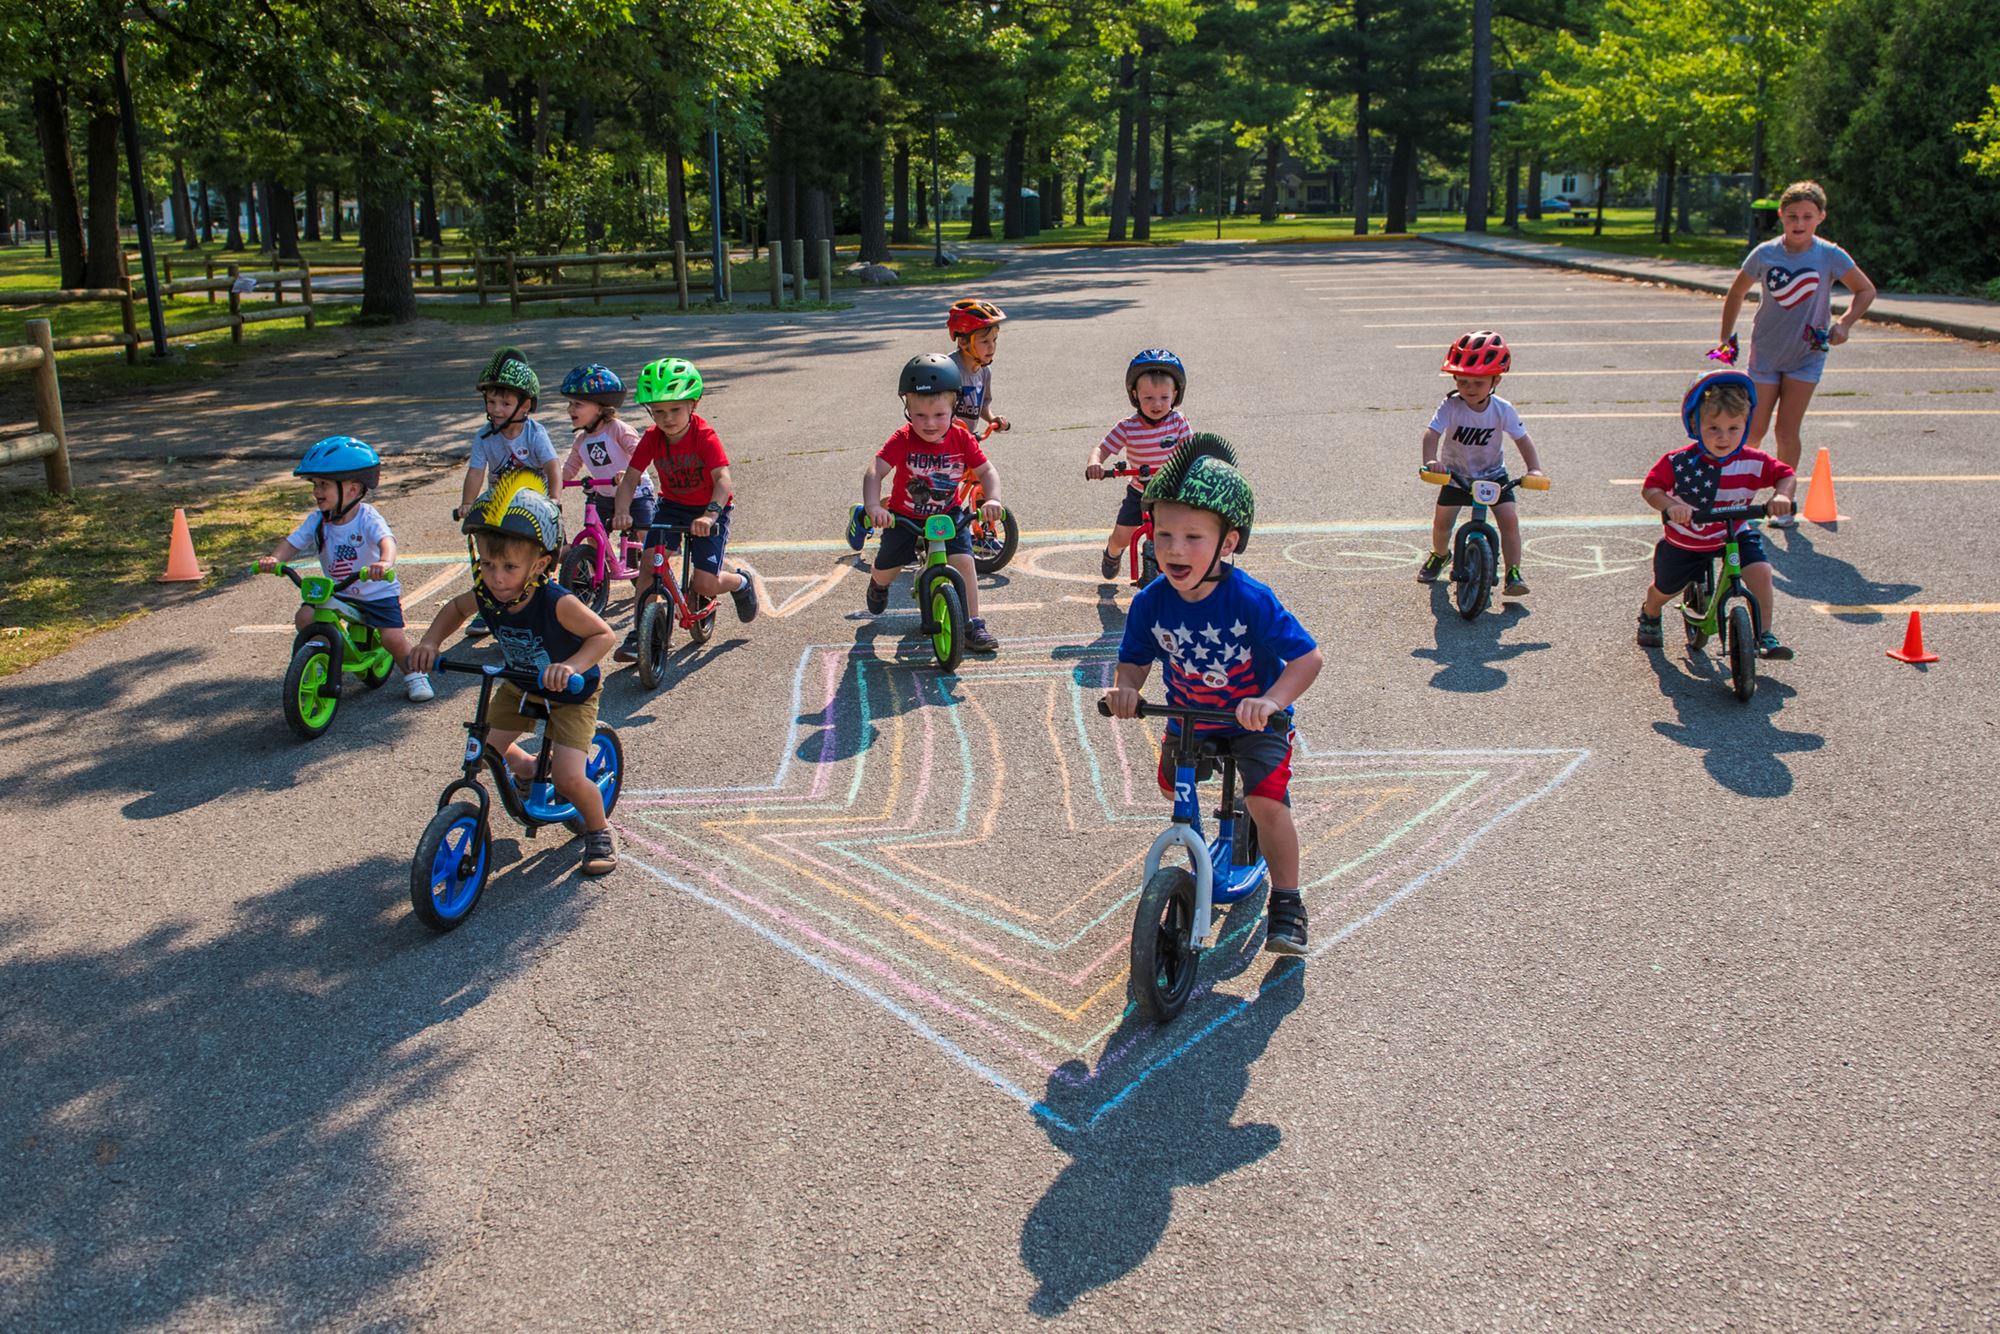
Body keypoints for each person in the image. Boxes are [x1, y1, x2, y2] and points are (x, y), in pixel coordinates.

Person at [1101, 434, 1323, 956]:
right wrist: (1128, 689)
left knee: (1266, 803)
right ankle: (1200, 852)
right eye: (1165, 535)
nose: (1175, 549)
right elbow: (1134, 659)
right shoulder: (1151, 603)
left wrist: (1270, 702)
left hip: (1253, 722)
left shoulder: (1249, 599)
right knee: (1170, 785)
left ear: (1227, 543)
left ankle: (1288, 905)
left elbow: (1307, 659)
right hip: (1189, 716)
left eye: (1194, 537)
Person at [408, 474, 620, 876]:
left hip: (570, 693)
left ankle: (598, 828)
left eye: (509, 566)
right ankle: (525, 767)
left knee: (569, 777)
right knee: (483, 743)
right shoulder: (488, 594)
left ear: (539, 565)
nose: (497, 576)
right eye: (488, 564)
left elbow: (602, 635)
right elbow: (455, 609)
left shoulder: (556, 602)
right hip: (521, 685)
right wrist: (431, 643)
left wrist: (570, 666)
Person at [1716, 179, 1878, 525]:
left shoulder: (1830, 255)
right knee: (1752, 429)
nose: (1799, 223)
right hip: (1766, 352)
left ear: (1821, 216)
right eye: (1792, 216)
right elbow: (1735, 294)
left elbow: (1865, 290)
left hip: (1808, 353)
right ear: (1781, 216)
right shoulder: (1765, 253)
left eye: (1807, 216)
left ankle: (1784, 500)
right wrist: (1725, 339)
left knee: (1787, 431)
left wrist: (1845, 324)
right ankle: (1736, 497)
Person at [1636, 369, 1798, 659]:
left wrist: (1782, 494)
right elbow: (1652, 488)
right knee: (1665, 587)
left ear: (1745, 426)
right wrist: (1671, 505)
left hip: (1733, 534)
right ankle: (1650, 611)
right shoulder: (1681, 462)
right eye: (1714, 429)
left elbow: (1785, 474)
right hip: (1688, 538)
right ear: (1695, 425)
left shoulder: (1753, 460)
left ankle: (1764, 634)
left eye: (1733, 428)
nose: (1724, 438)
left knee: (1760, 571)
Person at [610, 356, 763, 662]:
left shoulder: (703, 436)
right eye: (658, 412)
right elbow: (630, 480)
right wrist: (623, 510)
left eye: (675, 409)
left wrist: (710, 514)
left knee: (704, 583)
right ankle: (640, 631)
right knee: (648, 568)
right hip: (671, 507)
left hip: (709, 509)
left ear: (694, 403)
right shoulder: (653, 438)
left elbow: (722, 479)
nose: (667, 419)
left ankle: (740, 582)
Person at [259, 436, 432, 702]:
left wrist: (384, 563)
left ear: (352, 489)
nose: (317, 491)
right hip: (339, 590)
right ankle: (322, 660)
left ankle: (414, 675)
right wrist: (274, 559)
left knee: (392, 639)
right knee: (305, 618)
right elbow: (292, 543)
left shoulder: (367, 517)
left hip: (375, 591)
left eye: (324, 484)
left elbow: (387, 541)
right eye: (315, 484)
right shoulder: (318, 520)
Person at [858, 353, 1005, 654]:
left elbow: (987, 471)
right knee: (887, 568)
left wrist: (993, 498)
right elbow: (875, 470)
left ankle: (973, 623)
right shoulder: (903, 438)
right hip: (904, 516)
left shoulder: (962, 439)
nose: (929, 423)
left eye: (939, 415)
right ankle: (878, 585)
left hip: (948, 513)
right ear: (907, 409)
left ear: (954, 408)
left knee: (964, 562)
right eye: (920, 415)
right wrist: (874, 506)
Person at [1417, 330, 1546, 597]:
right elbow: (1432, 433)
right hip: (1456, 475)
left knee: (1509, 520)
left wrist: (1534, 468)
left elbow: (1522, 439)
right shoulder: (1450, 406)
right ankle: (1441, 555)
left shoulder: (1503, 409)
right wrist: (1431, 460)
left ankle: (1513, 573)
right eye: (1463, 382)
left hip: (1493, 475)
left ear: (1496, 380)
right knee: (1442, 523)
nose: (1469, 389)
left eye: (1478, 383)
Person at [1084, 349, 1193, 581]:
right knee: (1123, 535)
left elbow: (1191, 451)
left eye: (1164, 397)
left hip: (1170, 491)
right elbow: (1102, 448)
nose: (1157, 404)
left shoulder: (1178, 422)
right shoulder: (1128, 426)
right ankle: (1112, 553)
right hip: (1139, 490)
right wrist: (1095, 462)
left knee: (1181, 532)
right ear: (1135, 395)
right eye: (1148, 398)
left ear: (1175, 395)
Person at [459, 346, 560, 519]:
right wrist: (468, 503)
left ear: (525, 406)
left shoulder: (535, 434)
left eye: (505, 404)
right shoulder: (484, 437)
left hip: (536, 506)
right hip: (499, 506)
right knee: (483, 535)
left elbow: (553, 466)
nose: (496, 410)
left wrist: (554, 499)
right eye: (491, 401)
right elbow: (476, 472)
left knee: (557, 542)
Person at [559, 363, 652, 537]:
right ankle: (600, 563)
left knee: (645, 535)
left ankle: (652, 562)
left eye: (578, 404)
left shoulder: (618, 429)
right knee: (593, 536)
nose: (570, 409)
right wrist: (552, 479)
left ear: (600, 407)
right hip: (605, 496)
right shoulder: (581, 440)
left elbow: (641, 454)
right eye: (570, 403)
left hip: (636, 493)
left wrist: (629, 473)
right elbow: (569, 469)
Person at [946, 298, 1010, 437]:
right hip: (945, 443)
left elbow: (981, 406)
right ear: (963, 342)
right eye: (985, 341)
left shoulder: (984, 371)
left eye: (994, 340)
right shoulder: (948, 369)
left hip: (967, 441)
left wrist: (992, 419)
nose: (992, 346)